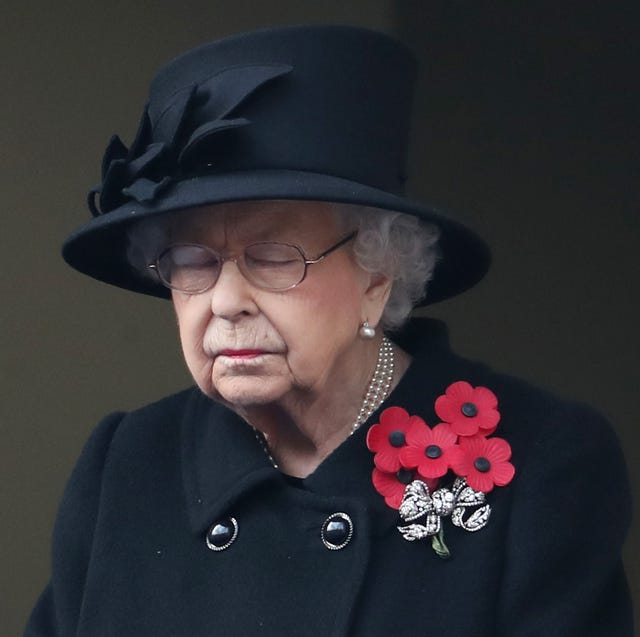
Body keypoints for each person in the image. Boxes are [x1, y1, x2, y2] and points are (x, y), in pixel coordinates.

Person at [25, 25, 632, 636]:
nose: (226, 301)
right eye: (191, 260)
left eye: (273, 256)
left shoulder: (545, 462)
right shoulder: (126, 465)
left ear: (378, 273)